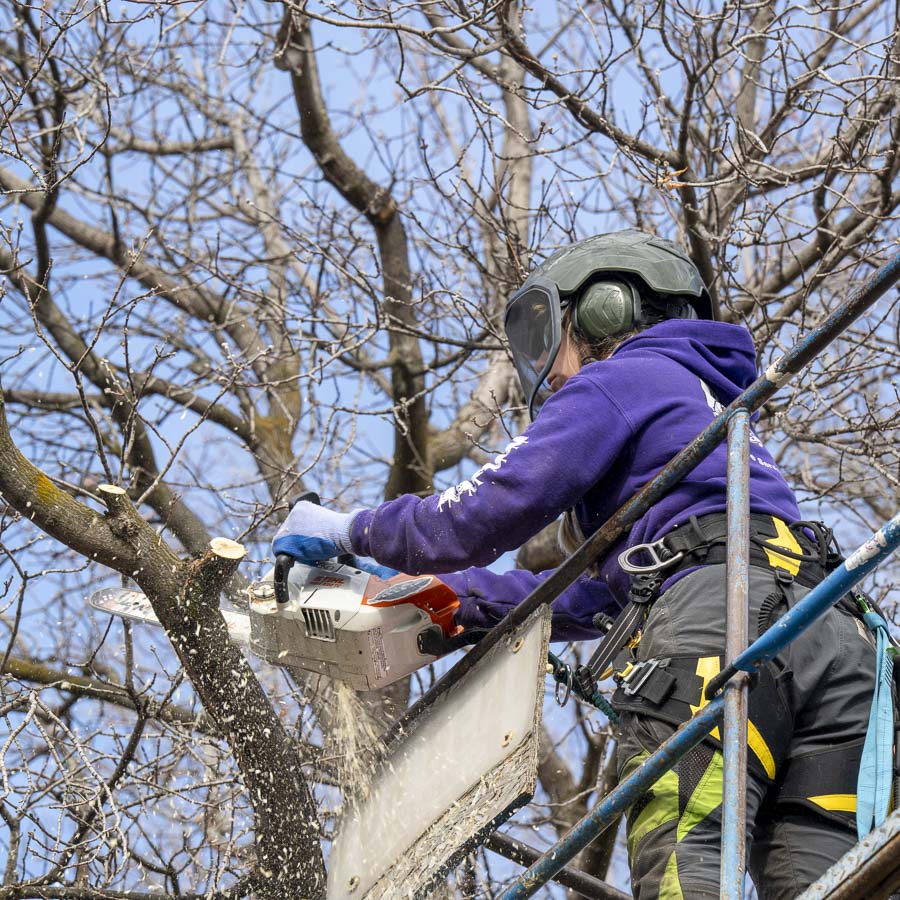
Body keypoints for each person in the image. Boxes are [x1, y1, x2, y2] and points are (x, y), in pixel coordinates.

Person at [273, 230, 883, 899]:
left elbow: (475, 517)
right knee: (828, 878)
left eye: (547, 337)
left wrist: (347, 528)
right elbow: (593, 598)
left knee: (685, 847)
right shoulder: (715, 422)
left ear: (604, 310)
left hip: (722, 621)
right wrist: (454, 605)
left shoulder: (622, 378)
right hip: (834, 636)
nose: (549, 374)